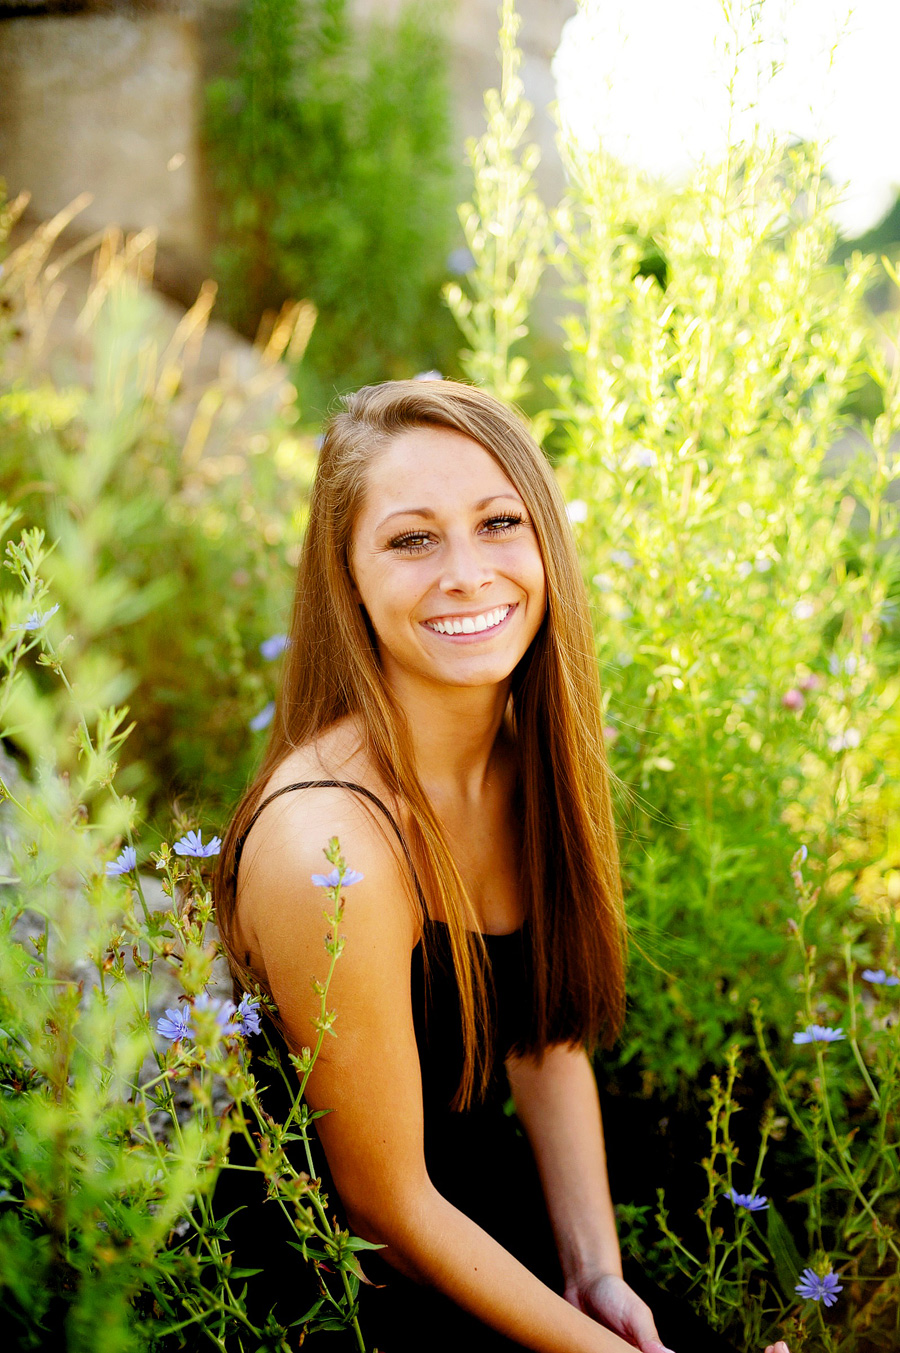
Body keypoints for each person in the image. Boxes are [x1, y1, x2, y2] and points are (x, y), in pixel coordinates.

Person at [212, 379, 790, 1353]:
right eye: (412, 539)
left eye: (498, 522)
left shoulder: (528, 763)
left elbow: (543, 1035)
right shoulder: (331, 846)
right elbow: (384, 1206)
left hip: (485, 1222)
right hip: (352, 1288)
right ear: (347, 573)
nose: (469, 573)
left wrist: (594, 1270)